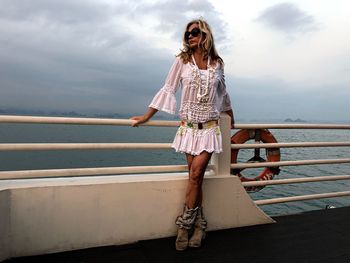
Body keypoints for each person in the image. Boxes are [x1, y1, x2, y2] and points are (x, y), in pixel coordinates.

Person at [131, 18, 234, 251]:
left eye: (194, 32)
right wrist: (147, 116)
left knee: (196, 173)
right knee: (194, 179)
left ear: (205, 34)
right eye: (187, 34)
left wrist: (231, 116)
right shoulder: (182, 61)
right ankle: (200, 225)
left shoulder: (217, 63)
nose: (190, 36)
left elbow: (223, 93)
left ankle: (183, 226)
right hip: (188, 129)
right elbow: (167, 87)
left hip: (209, 129)